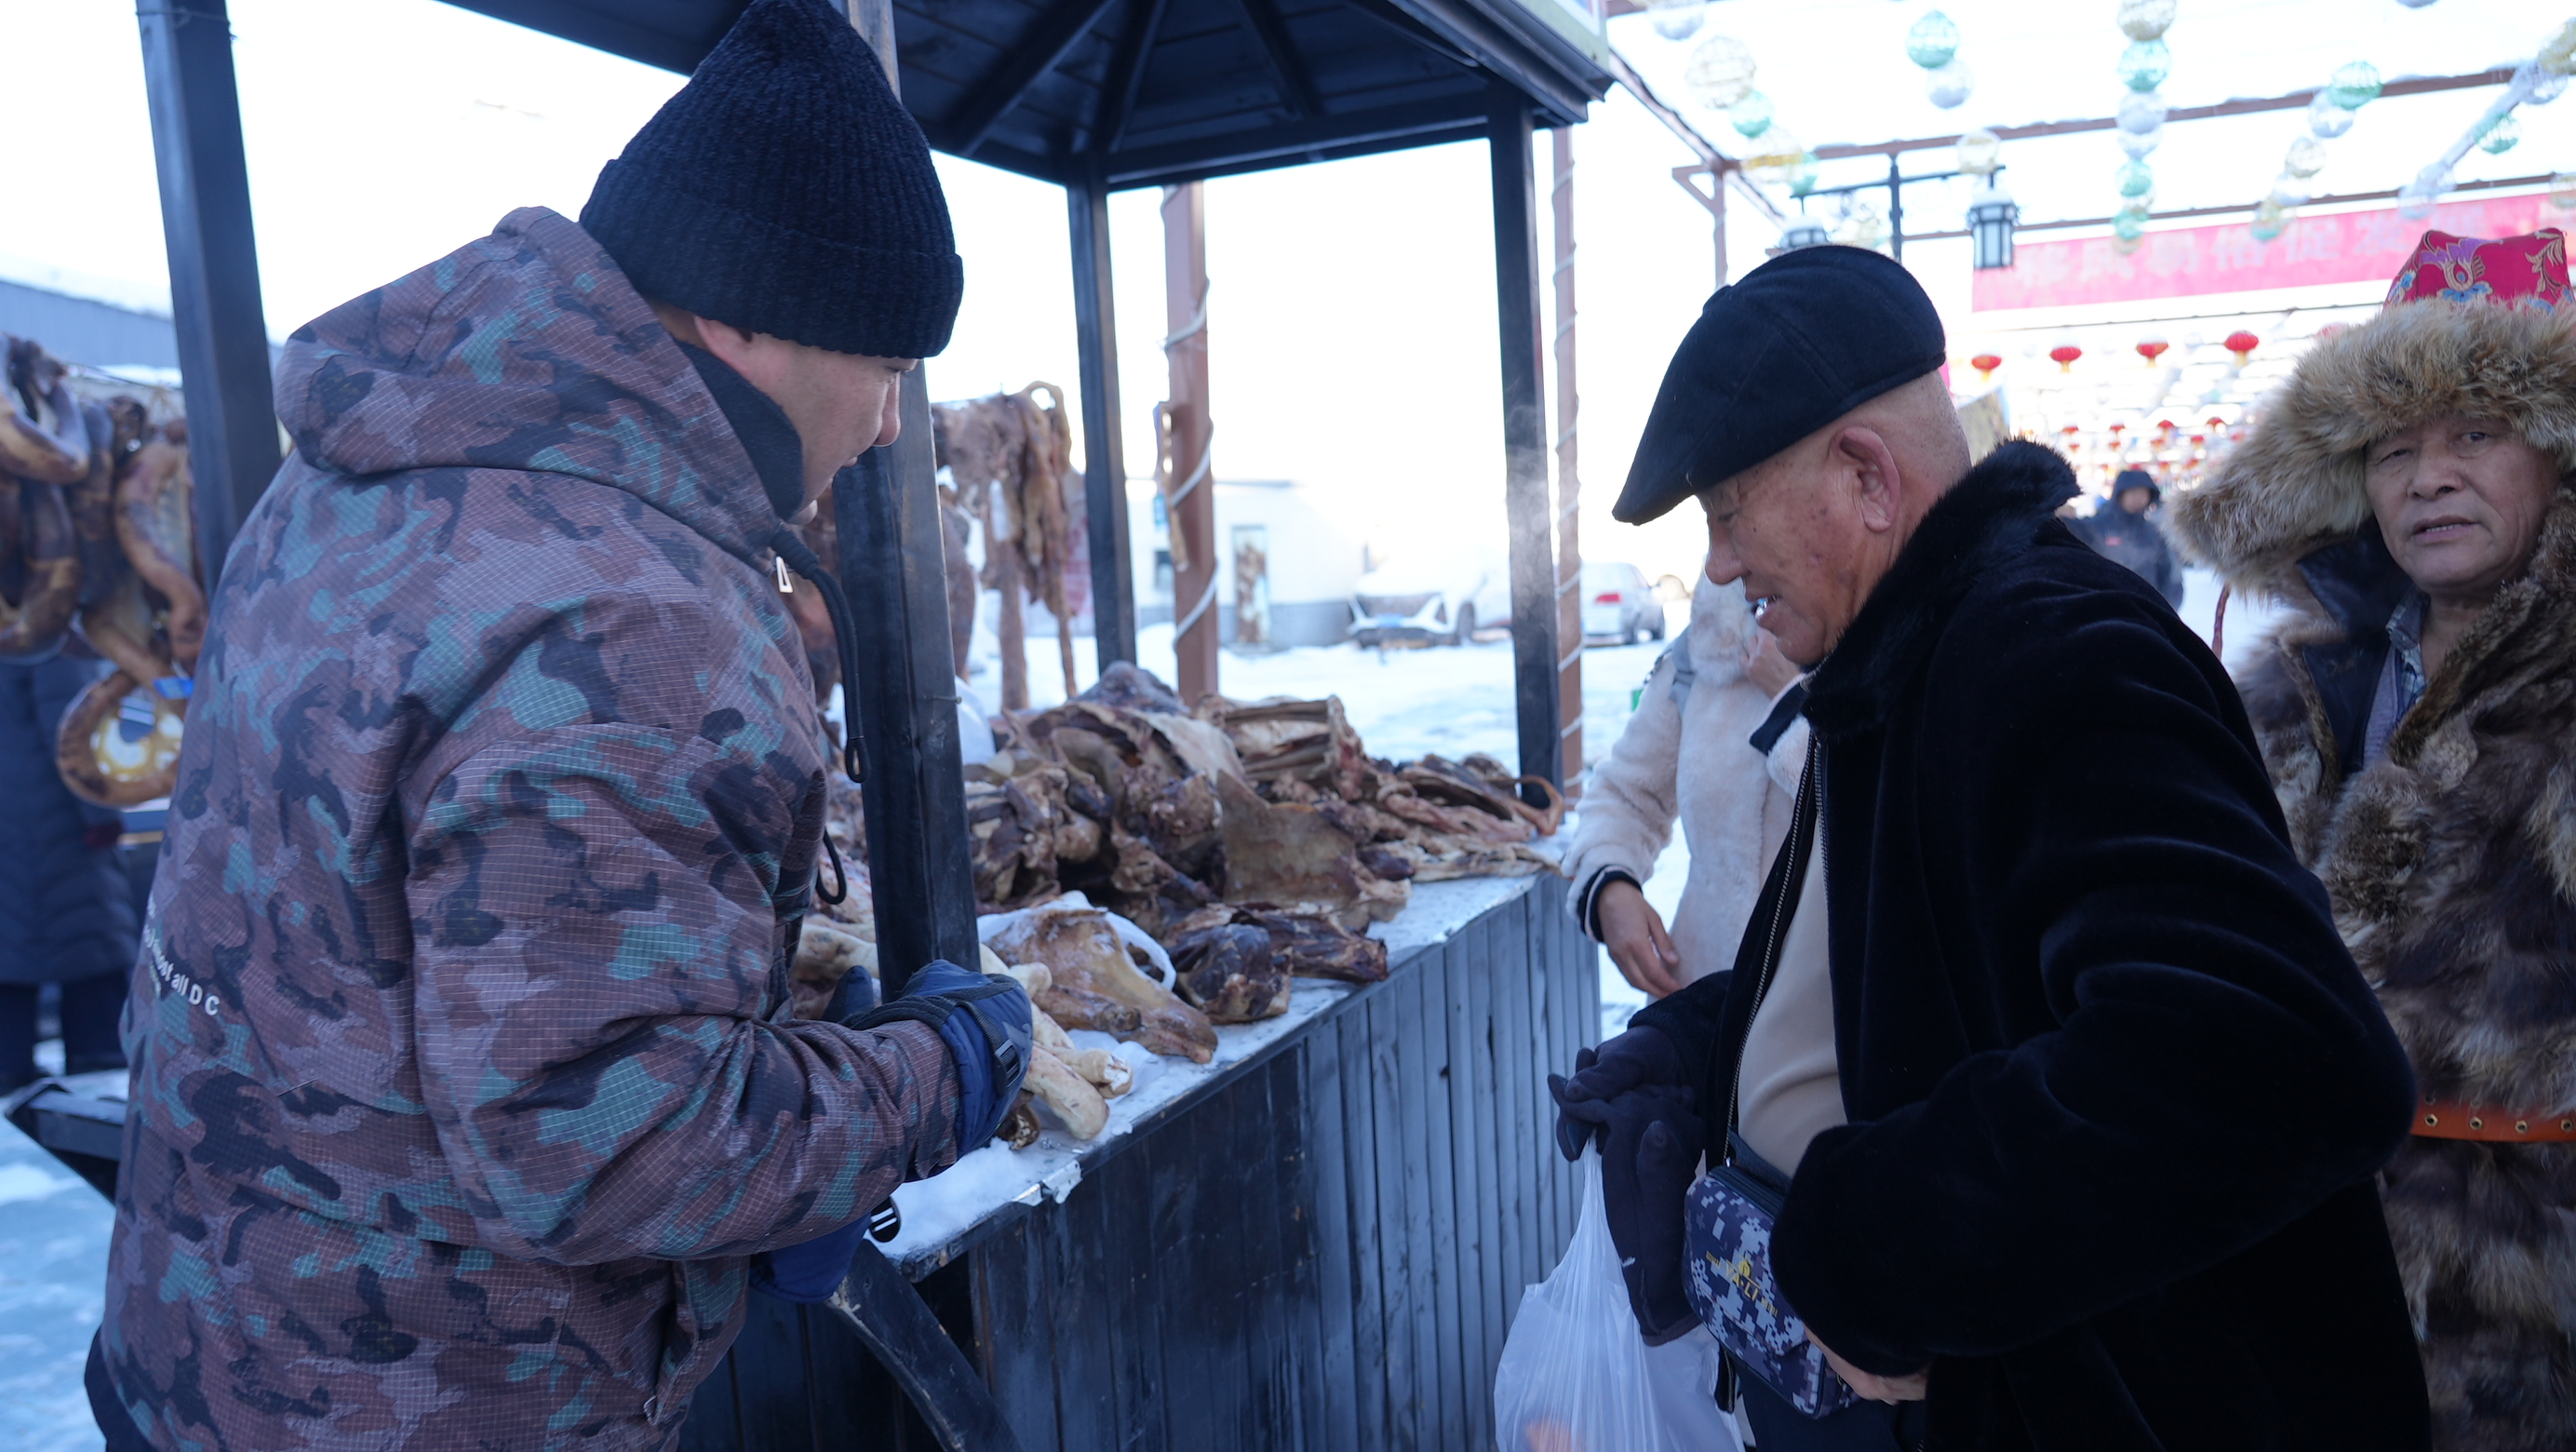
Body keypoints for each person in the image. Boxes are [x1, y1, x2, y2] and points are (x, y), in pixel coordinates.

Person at [90, 3, 1028, 1448]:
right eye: (889, 366)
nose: (892, 424)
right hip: (424, 1398)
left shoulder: (358, 471)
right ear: (745, 318)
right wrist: (936, 1077)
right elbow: (612, 1148)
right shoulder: (640, 615)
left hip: (204, 1335)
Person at [1550, 245, 2428, 1450]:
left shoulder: (2045, 650)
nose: (1719, 563)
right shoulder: (1897, 662)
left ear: (1865, 477)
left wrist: (1872, 1250)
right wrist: (1703, 1048)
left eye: (1728, 512)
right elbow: (1918, 980)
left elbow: (2272, 1058)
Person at [2167, 227, 2576, 1451]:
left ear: (2556, 448)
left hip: (2528, 1331)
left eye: (2474, 434)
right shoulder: (2286, 696)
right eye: (2393, 449)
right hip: (2296, 1290)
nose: (2427, 478)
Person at [1563, 575, 1806, 1000]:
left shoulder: (1901, 650)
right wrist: (1611, 883)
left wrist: (1792, 705)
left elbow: (1880, 822)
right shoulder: (1707, 647)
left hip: (1835, 1026)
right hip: (1699, 1008)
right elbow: (1626, 795)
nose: (1718, 563)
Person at [0, 653, 134, 1094]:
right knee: (88, 935)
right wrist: (101, 814)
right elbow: (75, 728)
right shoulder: (47, 642)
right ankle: (98, 1064)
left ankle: (9, 1068)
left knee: (10, 950)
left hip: (17, 816)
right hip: (51, 819)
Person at [2076, 465, 2186, 605]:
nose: (2138, 498)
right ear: (2120, 494)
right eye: (2133, 493)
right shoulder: (2096, 527)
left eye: (2143, 493)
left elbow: (2168, 574)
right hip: (2103, 607)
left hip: (2146, 608)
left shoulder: (2154, 532)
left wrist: (2167, 608)